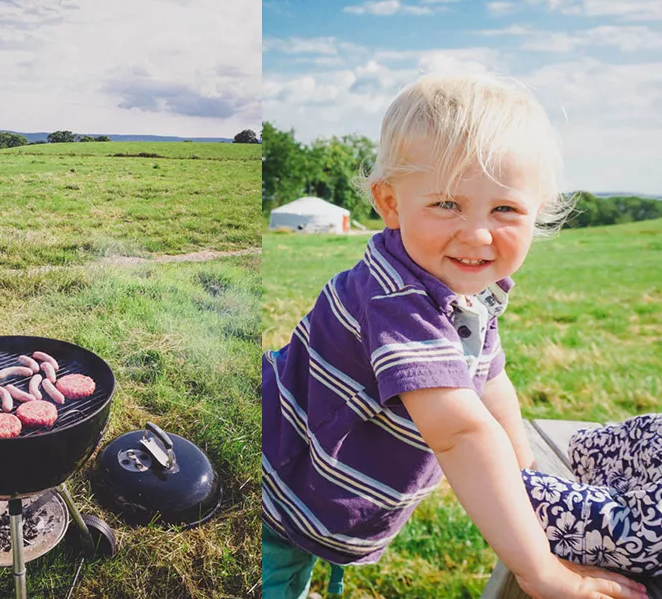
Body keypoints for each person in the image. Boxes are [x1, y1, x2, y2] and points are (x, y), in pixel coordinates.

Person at [261, 72, 649, 599]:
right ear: (391, 203)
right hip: (280, 488)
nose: (477, 233)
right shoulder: (396, 302)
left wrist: (528, 476)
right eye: (448, 204)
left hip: (323, 479)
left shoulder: (468, 291)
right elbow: (461, 432)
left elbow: (492, 379)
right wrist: (544, 573)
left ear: (538, 213)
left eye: (505, 209)